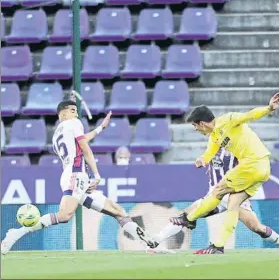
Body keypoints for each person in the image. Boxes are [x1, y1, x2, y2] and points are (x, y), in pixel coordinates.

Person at [1, 100, 159, 254]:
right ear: (62, 114)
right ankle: (17, 233)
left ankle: (149, 243)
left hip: (74, 176)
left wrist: (100, 128)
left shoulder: (57, 134)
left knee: (117, 210)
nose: (76, 114)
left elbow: (80, 141)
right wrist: (96, 175)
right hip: (76, 175)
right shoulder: (74, 124)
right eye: (72, 111)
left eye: (76, 111)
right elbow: (84, 147)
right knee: (64, 215)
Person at [171, 92, 279, 254]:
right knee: (233, 203)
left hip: (253, 163)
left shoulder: (228, 120)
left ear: (201, 123)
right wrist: (202, 160)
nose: (195, 129)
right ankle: (218, 246)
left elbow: (249, 115)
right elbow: (209, 153)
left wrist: (269, 108)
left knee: (218, 191)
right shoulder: (214, 136)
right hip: (262, 167)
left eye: (194, 125)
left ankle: (188, 219)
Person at [150, 148, 279, 253]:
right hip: (214, 196)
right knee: (186, 216)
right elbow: (209, 161)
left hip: (234, 196)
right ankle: (157, 240)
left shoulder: (240, 150)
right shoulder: (213, 147)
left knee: (256, 227)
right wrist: (202, 160)